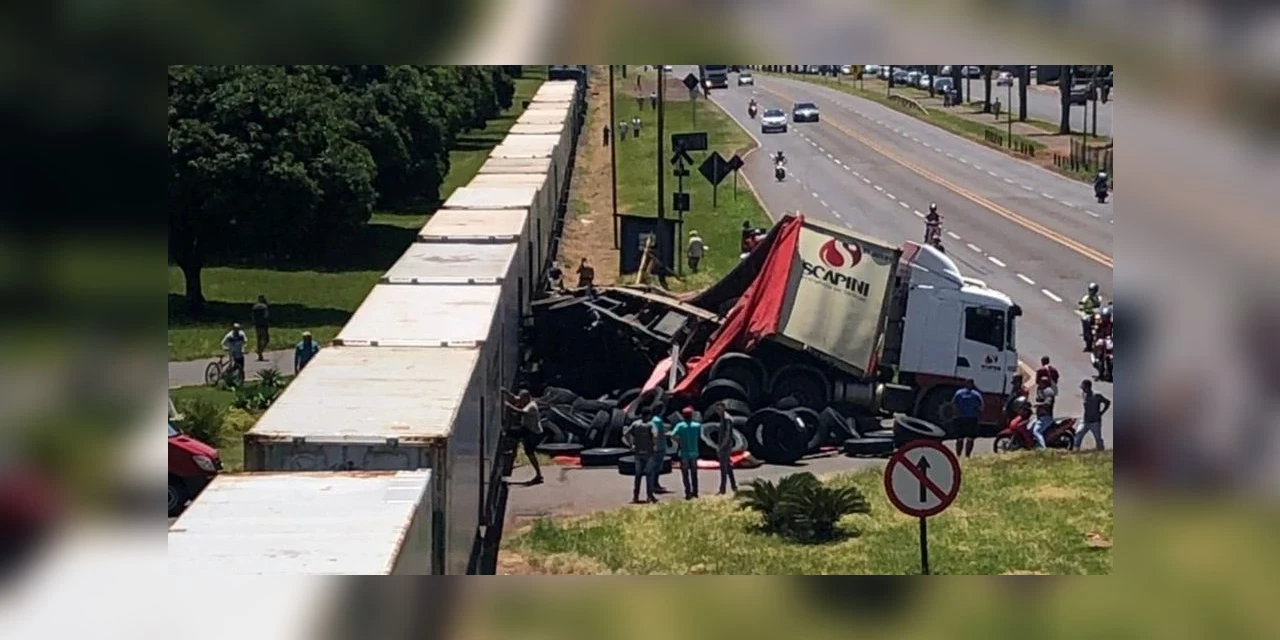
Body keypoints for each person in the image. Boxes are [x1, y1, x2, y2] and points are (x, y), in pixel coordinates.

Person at [503, 389, 544, 485]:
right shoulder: (526, 400)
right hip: (527, 429)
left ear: (526, 398)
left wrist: (509, 406)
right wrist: (505, 391)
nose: (519, 401)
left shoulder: (531, 406)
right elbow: (514, 397)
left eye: (521, 399)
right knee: (528, 451)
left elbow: (521, 412)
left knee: (529, 451)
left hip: (533, 432)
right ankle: (538, 475)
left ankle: (538, 475)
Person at [623, 406, 659, 503]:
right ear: (649, 415)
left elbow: (626, 433)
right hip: (649, 453)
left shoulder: (635, 424)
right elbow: (655, 435)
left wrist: (631, 444)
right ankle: (649, 496)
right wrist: (655, 446)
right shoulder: (651, 425)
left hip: (638, 453)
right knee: (649, 474)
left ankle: (636, 496)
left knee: (638, 475)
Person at [670, 407, 702, 499]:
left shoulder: (680, 426)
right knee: (694, 473)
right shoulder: (697, 425)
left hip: (684, 452)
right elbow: (699, 436)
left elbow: (672, 435)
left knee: (685, 474)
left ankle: (687, 492)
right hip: (694, 452)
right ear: (691, 415)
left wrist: (679, 441)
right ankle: (695, 492)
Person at [708, 401, 739, 494]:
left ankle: (722, 489)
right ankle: (734, 486)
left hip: (725, 446)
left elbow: (727, 434)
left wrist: (721, 446)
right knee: (728, 467)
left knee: (723, 468)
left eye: (719, 408)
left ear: (724, 408)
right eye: (716, 409)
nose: (717, 410)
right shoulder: (722, 418)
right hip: (724, 445)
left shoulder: (726, 419)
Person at [951, 379, 984, 458]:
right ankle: (967, 455)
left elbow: (953, 405)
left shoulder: (958, 393)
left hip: (960, 418)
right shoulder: (977, 394)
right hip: (972, 419)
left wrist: (955, 414)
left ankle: (958, 455)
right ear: (973, 384)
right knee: (970, 438)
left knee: (959, 438)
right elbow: (981, 408)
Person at [1076, 379, 1111, 451]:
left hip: (1095, 421)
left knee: (1098, 438)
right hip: (1085, 421)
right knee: (1079, 433)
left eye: (1083, 387)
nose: (1082, 389)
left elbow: (1107, 402)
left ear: (1088, 387)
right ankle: (1076, 449)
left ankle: (1101, 451)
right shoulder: (1083, 395)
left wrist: (1102, 412)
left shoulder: (1097, 395)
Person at [1078, 283, 1102, 350]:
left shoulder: (1098, 298)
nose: (1091, 292)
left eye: (1093, 290)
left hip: (1095, 314)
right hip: (1087, 314)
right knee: (1085, 323)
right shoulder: (1086, 297)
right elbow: (1081, 304)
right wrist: (1082, 308)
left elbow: (1098, 305)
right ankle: (1087, 340)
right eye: (1090, 290)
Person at [251, 295, 270, 361]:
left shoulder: (255, 307)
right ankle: (260, 350)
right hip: (263, 325)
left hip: (257, 325)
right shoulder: (265, 307)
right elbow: (266, 315)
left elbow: (253, 316)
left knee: (259, 339)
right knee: (266, 339)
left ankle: (260, 354)